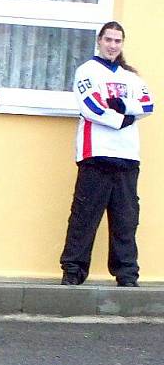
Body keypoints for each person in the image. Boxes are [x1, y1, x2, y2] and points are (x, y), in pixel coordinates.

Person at [60, 21, 155, 287]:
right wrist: (121, 119)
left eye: (118, 41)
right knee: (84, 216)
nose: (113, 45)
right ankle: (73, 271)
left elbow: (148, 104)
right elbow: (91, 105)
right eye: (108, 40)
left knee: (126, 219)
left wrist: (123, 105)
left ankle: (127, 274)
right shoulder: (87, 71)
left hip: (127, 157)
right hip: (96, 154)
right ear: (99, 41)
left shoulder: (131, 77)